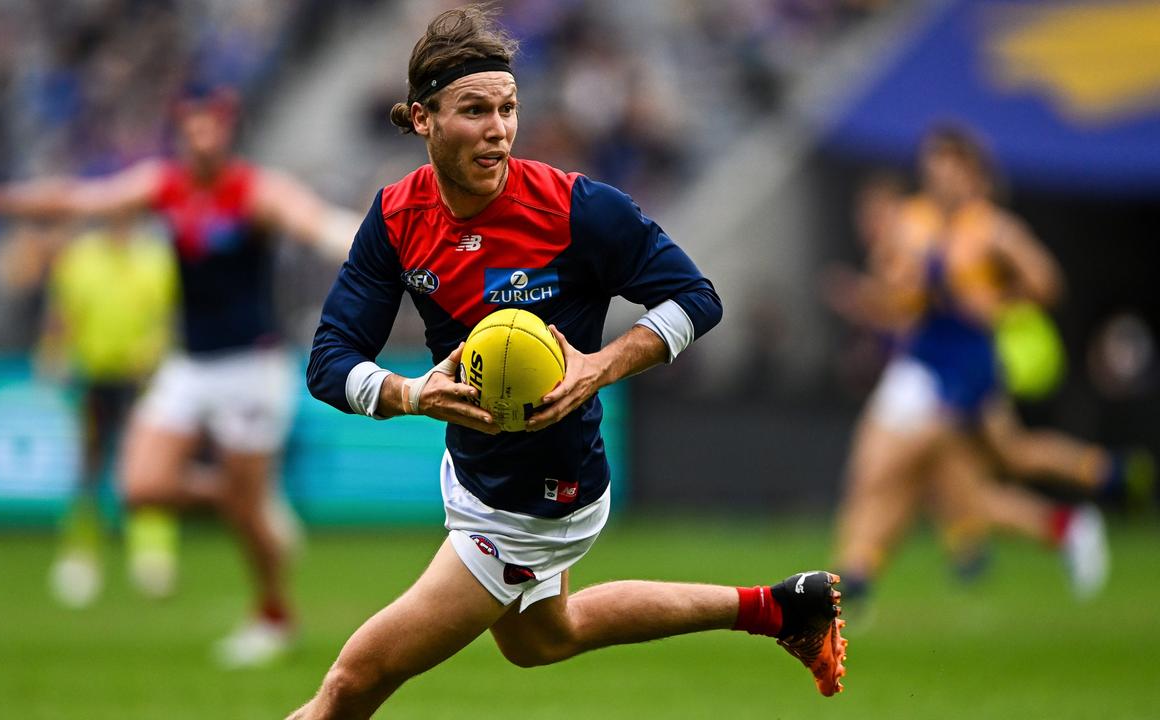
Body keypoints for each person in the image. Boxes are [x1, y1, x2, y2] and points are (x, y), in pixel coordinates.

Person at [291, 7, 847, 717]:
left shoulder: (577, 209)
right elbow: (329, 359)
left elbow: (697, 299)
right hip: (474, 469)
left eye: (508, 108)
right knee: (541, 639)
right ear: (424, 119)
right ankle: (780, 609)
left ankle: (779, 610)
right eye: (474, 110)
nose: (498, 128)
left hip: (537, 500)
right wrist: (408, 393)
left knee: (348, 686)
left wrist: (601, 365)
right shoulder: (397, 217)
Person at [0, 83, 359, 667]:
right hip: (190, 364)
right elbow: (74, 201)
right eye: (192, 124)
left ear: (229, 130)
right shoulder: (164, 187)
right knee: (140, 487)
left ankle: (273, 614)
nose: (203, 135)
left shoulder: (253, 191)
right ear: (180, 131)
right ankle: (247, 502)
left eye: (213, 124)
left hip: (251, 366)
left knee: (247, 519)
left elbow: (320, 225)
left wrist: (392, 241)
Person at [828, 128, 1113, 610]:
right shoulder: (913, 222)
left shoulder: (990, 228)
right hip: (922, 358)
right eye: (933, 168)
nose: (940, 179)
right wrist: (874, 295)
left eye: (951, 169)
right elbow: (898, 300)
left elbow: (1046, 284)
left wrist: (996, 300)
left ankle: (852, 582)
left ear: (973, 174)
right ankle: (855, 579)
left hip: (965, 365)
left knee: (900, 472)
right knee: (945, 485)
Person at [38, 212, 176, 609]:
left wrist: (159, 357)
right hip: (94, 377)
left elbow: (168, 316)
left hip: (142, 379)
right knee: (89, 467)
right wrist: (54, 353)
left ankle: (152, 556)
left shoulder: (156, 259)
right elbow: (62, 315)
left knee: (147, 469)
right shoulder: (80, 259)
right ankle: (80, 554)